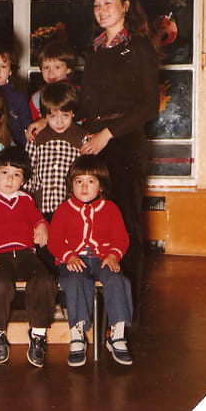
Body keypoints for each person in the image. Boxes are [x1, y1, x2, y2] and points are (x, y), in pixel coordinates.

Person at [27, 0, 160, 319]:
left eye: (108, 3)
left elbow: (149, 106)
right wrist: (46, 120)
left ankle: (126, 316)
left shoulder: (139, 47)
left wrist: (107, 134)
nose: (101, 10)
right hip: (95, 141)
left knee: (124, 224)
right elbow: (83, 104)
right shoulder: (96, 49)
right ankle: (88, 306)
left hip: (123, 143)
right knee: (89, 220)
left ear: (125, 6)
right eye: (97, 4)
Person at [0, 146, 56, 368]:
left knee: (44, 280)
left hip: (25, 254)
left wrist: (42, 225)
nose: (10, 179)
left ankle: (38, 334)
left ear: (23, 180)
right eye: (4, 172)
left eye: (17, 174)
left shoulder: (25, 200)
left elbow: (38, 219)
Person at [48, 155, 133, 366]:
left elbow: (121, 238)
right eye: (79, 181)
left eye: (91, 181)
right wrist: (68, 256)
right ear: (71, 185)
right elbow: (54, 240)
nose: (84, 187)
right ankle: (77, 335)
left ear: (101, 186)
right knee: (75, 280)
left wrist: (113, 255)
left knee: (117, 280)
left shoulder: (110, 209)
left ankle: (117, 334)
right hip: (74, 259)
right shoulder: (64, 209)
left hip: (103, 259)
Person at [24, 82, 87, 219]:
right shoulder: (36, 138)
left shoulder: (82, 138)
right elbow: (29, 171)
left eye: (65, 115)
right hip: (41, 205)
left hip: (71, 206)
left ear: (73, 113)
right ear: (44, 116)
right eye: (53, 116)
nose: (59, 122)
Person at [29, 41, 76, 121]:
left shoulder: (78, 94)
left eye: (57, 67)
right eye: (46, 67)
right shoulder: (36, 99)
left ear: (68, 69)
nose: (51, 72)